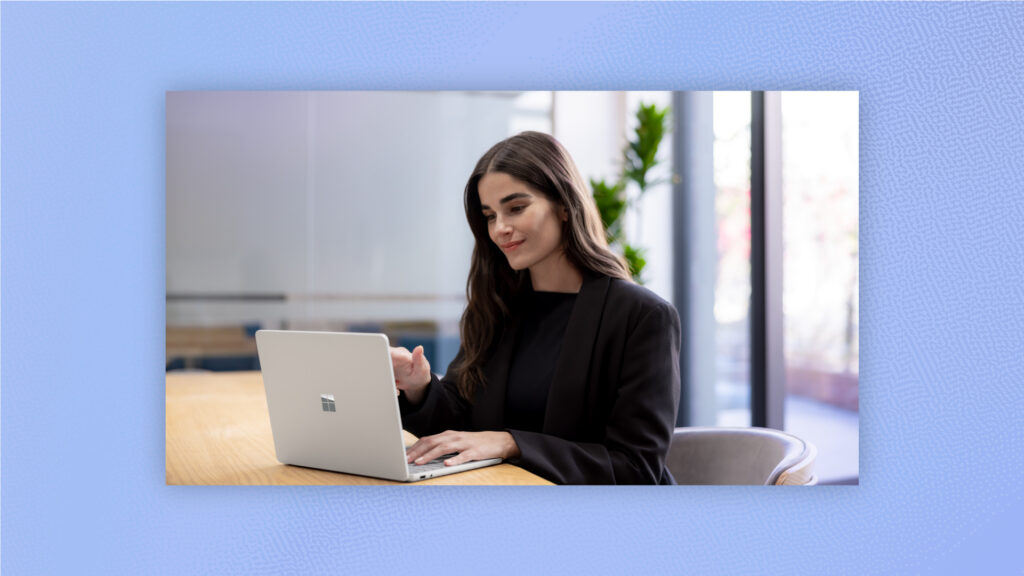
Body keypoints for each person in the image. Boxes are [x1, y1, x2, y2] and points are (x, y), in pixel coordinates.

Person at [391, 131, 680, 485]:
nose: (500, 229)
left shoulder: (642, 316)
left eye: (516, 208)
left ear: (563, 205)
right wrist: (420, 386)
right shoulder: (497, 305)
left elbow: (637, 469)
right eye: (490, 215)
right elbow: (460, 426)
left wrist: (513, 443)